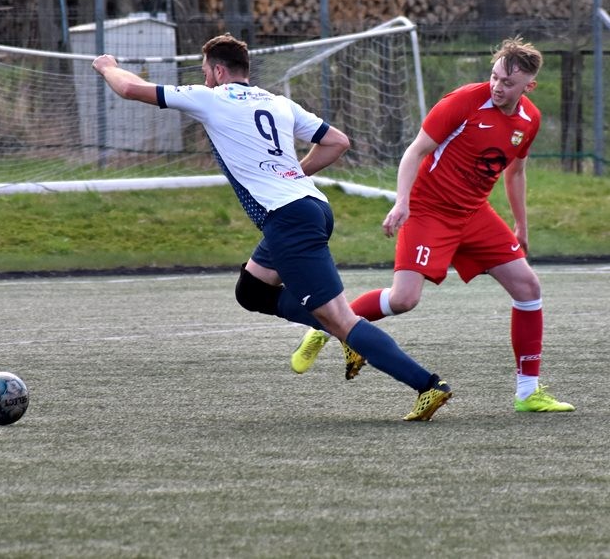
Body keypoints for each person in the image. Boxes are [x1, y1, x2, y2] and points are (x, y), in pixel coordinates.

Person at [93, 33, 453, 421]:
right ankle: (346, 334)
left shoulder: (210, 97)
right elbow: (337, 142)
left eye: (205, 72)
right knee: (252, 290)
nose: (205, 78)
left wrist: (107, 66)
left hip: (289, 219)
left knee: (342, 319)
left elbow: (129, 88)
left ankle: (427, 385)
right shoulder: (277, 102)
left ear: (218, 71)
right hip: (312, 207)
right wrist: (294, 174)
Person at [291, 37, 574, 413]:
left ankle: (528, 393)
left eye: (508, 83)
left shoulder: (529, 120)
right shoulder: (464, 101)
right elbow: (415, 151)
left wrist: (521, 225)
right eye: (494, 77)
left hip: (473, 214)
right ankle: (325, 327)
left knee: (528, 287)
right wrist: (402, 202)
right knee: (403, 299)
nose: (497, 86)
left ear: (529, 86)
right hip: (429, 210)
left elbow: (516, 172)